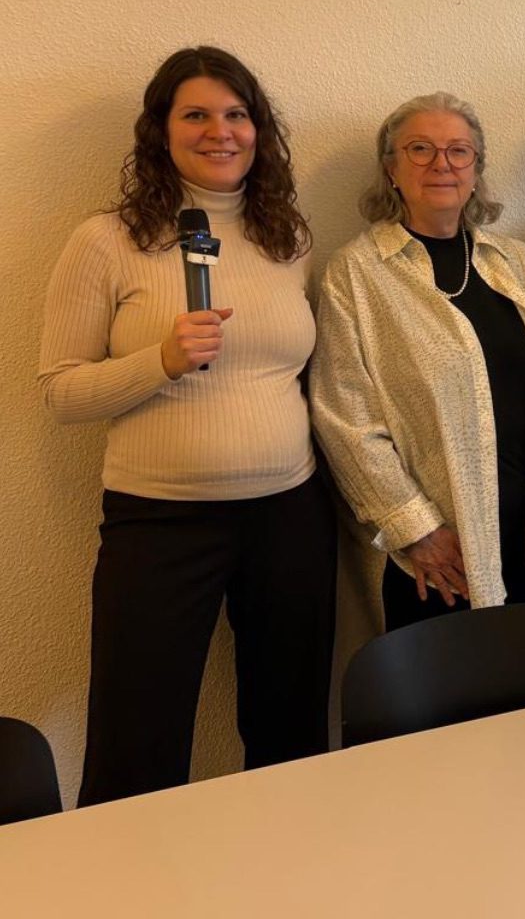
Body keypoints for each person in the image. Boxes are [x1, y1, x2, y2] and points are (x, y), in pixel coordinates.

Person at [38, 46, 334, 806]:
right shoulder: (108, 241)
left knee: (291, 730)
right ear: (161, 130)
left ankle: (289, 860)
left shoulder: (286, 237)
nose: (219, 132)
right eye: (196, 114)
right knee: (137, 740)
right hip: (161, 523)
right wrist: (161, 361)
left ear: (258, 129)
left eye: (236, 115)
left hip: (290, 515)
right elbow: (63, 392)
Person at [310, 93, 525, 630]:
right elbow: (345, 417)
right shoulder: (357, 274)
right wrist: (415, 529)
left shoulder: (519, 265)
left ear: (476, 170)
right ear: (391, 169)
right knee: (447, 683)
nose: (441, 164)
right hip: (441, 555)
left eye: (458, 151)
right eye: (420, 149)